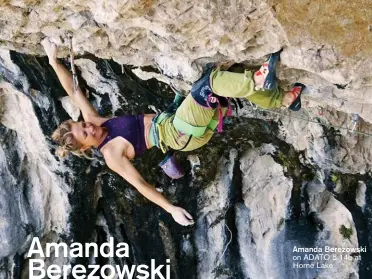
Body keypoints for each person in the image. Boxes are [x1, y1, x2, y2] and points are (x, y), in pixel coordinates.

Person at [42, 38, 304, 226]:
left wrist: (53, 61)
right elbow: (140, 185)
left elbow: (74, 91)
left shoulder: (95, 120)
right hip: (180, 133)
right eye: (85, 133)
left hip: (178, 122)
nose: (88, 126)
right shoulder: (111, 154)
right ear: (87, 147)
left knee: (224, 74)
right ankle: (258, 80)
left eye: (82, 124)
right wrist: (171, 209)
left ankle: (284, 99)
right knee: (208, 86)